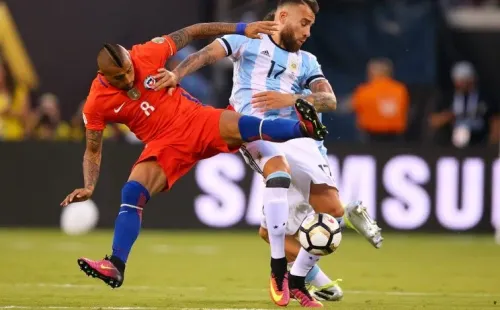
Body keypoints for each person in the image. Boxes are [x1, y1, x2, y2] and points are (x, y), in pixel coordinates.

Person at [60, 20, 329, 290]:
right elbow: (93, 148)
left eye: (129, 71)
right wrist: (89, 185)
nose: (128, 79)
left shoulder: (147, 52)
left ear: (131, 59)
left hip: (196, 119)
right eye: (119, 78)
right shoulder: (96, 102)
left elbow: (192, 31)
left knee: (248, 126)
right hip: (164, 145)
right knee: (132, 193)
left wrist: (241, 28)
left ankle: (304, 128)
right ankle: (116, 265)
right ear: (102, 74)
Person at [154, 1, 382, 307]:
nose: (308, 32)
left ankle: (305, 273)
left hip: (300, 138)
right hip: (255, 130)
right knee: (277, 195)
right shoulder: (248, 40)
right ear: (283, 16)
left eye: (311, 25)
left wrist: (289, 97)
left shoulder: (307, 62)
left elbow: (329, 100)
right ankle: (294, 276)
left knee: (328, 216)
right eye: (304, 23)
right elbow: (205, 53)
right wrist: (177, 74)